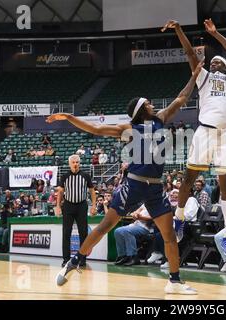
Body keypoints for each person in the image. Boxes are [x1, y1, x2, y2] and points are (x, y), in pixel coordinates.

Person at [48, 60, 204, 295]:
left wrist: (194, 75)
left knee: (170, 235)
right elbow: (96, 130)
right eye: (148, 103)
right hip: (133, 185)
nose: (153, 104)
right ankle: (75, 261)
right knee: (104, 227)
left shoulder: (160, 119)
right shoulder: (128, 129)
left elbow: (181, 98)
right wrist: (69, 116)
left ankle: (174, 280)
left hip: (155, 189)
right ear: (142, 109)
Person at [162, 19, 226, 259]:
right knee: (188, 178)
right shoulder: (203, 76)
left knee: (225, 184)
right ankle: (179, 217)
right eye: (213, 61)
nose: (215, 63)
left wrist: (215, 34)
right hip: (204, 131)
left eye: (219, 62)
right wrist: (178, 29)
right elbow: (188, 52)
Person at [56, 154, 97, 267]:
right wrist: (58, 206)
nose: (75, 164)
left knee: (83, 233)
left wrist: (93, 206)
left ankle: (82, 259)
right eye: (73, 162)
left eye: (77, 162)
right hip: (68, 206)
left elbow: (92, 192)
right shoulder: (64, 176)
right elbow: (60, 192)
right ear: (69, 164)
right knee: (66, 233)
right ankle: (66, 259)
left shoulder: (85, 176)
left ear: (79, 163)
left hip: (81, 206)